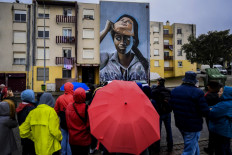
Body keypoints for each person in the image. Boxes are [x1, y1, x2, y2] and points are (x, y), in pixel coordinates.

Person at [170, 71, 210, 155]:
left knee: (193, 144)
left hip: (180, 123)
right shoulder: (198, 92)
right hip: (193, 125)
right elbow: (204, 111)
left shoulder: (175, 90)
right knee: (189, 150)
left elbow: (171, 106)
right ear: (194, 81)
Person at [100, 14, 148, 82]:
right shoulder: (106, 59)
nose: (122, 42)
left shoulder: (143, 64)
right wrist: (105, 30)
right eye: (118, 38)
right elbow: (92, 48)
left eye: (127, 38)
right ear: (113, 39)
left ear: (134, 40)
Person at [66, 88, 91, 155]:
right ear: (84, 96)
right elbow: (89, 125)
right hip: (84, 140)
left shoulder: (69, 107)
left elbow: (68, 123)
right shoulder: (87, 108)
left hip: (73, 139)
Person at [151, 78, 173, 152]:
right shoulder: (168, 91)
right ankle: (170, 147)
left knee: (158, 131)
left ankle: (157, 148)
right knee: (168, 130)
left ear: (158, 83)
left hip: (159, 114)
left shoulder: (154, 91)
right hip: (167, 113)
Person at [208, 86, 232, 155]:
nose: (218, 93)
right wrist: (211, 108)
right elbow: (214, 108)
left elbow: (212, 114)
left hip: (221, 132)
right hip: (225, 132)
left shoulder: (224, 104)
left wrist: (209, 109)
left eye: (220, 91)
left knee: (220, 150)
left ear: (226, 93)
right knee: (226, 148)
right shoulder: (227, 102)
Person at [54, 82, 74, 155]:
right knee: (70, 139)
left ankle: (63, 152)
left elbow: (56, 110)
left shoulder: (60, 98)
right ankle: (69, 153)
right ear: (71, 88)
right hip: (71, 121)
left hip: (63, 120)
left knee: (63, 137)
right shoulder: (73, 97)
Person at [204, 81, 222, 155]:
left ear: (211, 87)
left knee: (211, 133)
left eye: (208, 86)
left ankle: (210, 149)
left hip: (210, 117)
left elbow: (204, 107)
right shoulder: (220, 95)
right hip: (219, 117)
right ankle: (214, 147)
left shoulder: (208, 96)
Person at [16, 89, 36, 155]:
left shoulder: (20, 107)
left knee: (25, 150)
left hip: (23, 134)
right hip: (31, 135)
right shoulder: (31, 109)